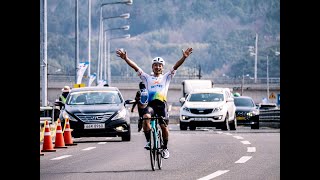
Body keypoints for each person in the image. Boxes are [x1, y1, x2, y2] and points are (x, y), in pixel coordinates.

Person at [116, 47, 193, 159]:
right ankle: (148, 141)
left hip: (162, 105)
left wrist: (184, 58)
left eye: (160, 65)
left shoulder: (167, 77)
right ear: (152, 67)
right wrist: (126, 58)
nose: (157, 67)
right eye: (155, 65)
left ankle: (165, 148)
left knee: (163, 126)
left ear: (162, 67)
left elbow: (176, 66)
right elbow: (135, 67)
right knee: (146, 118)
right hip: (151, 105)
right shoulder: (147, 78)